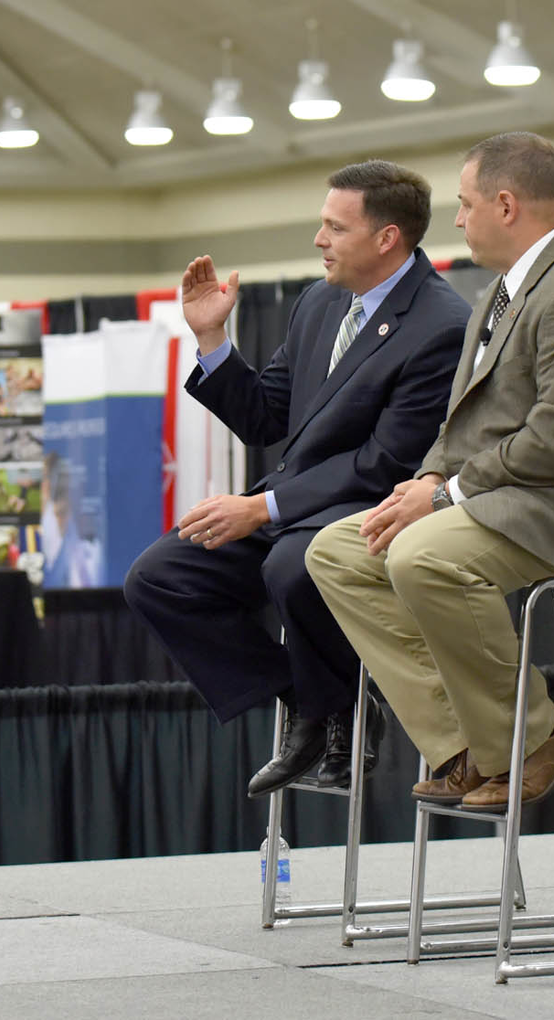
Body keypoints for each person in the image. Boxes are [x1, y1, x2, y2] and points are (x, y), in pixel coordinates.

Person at [305, 133, 554, 811]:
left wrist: (446, 496)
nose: (456, 219)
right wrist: (424, 483)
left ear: (505, 205)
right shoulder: (508, 289)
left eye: (465, 203)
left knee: (425, 555)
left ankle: (537, 738)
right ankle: (468, 745)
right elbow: (465, 426)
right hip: (526, 497)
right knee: (338, 551)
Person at [122, 159, 467, 797]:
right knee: (159, 577)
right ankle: (323, 703)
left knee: (291, 564)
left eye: (334, 228)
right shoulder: (319, 301)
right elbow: (266, 416)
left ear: (386, 237)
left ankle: (327, 707)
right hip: (291, 510)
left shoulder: (442, 325)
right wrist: (213, 340)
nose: (318, 240)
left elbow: (385, 465)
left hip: (366, 511)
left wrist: (264, 509)